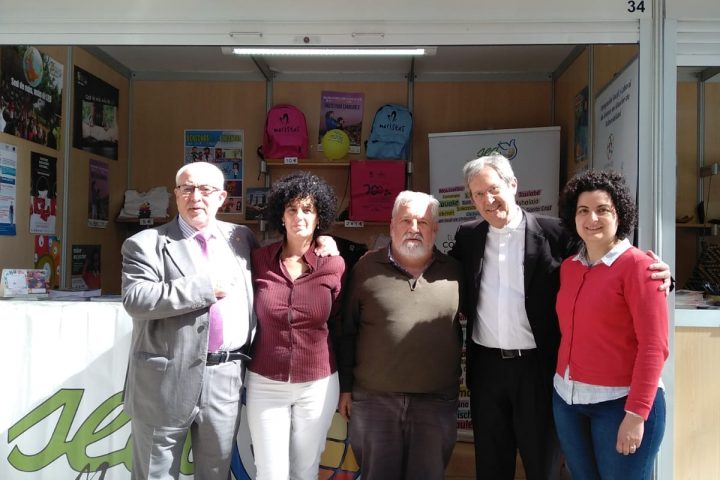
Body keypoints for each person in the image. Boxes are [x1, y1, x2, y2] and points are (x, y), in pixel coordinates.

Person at [448, 154, 672, 480]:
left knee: (543, 465)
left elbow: (606, 257)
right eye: (478, 194)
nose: (488, 200)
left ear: (513, 185)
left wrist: (661, 277)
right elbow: (442, 274)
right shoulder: (467, 236)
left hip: (538, 368)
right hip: (487, 370)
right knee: (491, 465)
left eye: (494, 189)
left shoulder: (556, 233)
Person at [121, 161, 257, 479]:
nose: (196, 197)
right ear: (176, 194)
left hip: (225, 378)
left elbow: (282, 260)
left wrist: (322, 242)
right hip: (163, 382)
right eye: (188, 188)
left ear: (222, 197)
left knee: (216, 473)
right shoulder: (145, 243)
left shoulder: (242, 238)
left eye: (206, 189)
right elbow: (136, 298)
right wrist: (204, 288)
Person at [338, 190, 463, 480]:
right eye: (406, 220)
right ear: (392, 225)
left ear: (435, 229)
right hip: (374, 403)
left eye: (423, 222)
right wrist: (345, 388)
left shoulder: (455, 272)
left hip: (435, 403)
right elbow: (347, 331)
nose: (414, 228)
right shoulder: (365, 268)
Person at [553, 170, 668, 479]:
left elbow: (654, 347)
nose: (592, 218)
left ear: (620, 214)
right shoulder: (569, 267)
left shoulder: (640, 267)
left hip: (620, 405)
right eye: (583, 210)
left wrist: (636, 414)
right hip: (568, 400)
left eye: (602, 209)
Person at [245, 172, 345, 480]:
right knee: (269, 472)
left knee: (305, 470)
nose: (299, 216)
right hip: (265, 381)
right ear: (281, 216)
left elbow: (340, 322)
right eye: (292, 209)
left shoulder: (334, 264)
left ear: (318, 217)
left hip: (317, 383)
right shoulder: (258, 260)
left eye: (307, 209)